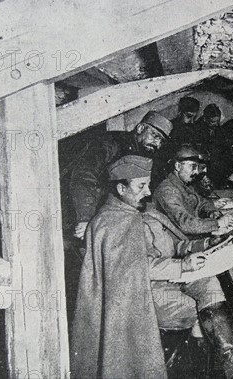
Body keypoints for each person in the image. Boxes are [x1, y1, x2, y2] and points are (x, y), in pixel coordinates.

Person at [70, 155, 167, 379]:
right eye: (141, 186)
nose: (149, 192)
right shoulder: (118, 223)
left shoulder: (113, 216)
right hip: (130, 311)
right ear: (122, 189)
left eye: (148, 185)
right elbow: (141, 271)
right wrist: (185, 266)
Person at [143, 192, 233, 379]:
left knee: (210, 283)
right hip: (154, 290)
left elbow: (176, 246)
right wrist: (183, 265)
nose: (148, 192)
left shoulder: (152, 214)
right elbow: (144, 267)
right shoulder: (132, 224)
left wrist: (207, 243)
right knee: (204, 308)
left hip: (175, 276)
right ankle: (201, 367)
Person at [69, 111, 172, 239]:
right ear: (140, 128)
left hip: (112, 214)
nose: (157, 144)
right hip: (81, 209)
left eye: (161, 141)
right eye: (154, 136)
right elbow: (84, 176)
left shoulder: (146, 153)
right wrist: (85, 218)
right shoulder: (110, 143)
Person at [154, 144, 233, 237]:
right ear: (178, 166)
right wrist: (217, 223)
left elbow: (199, 204)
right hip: (180, 242)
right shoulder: (167, 190)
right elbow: (185, 223)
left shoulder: (183, 184)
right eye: (193, 166)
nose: (196, 172)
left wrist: (211, 213)